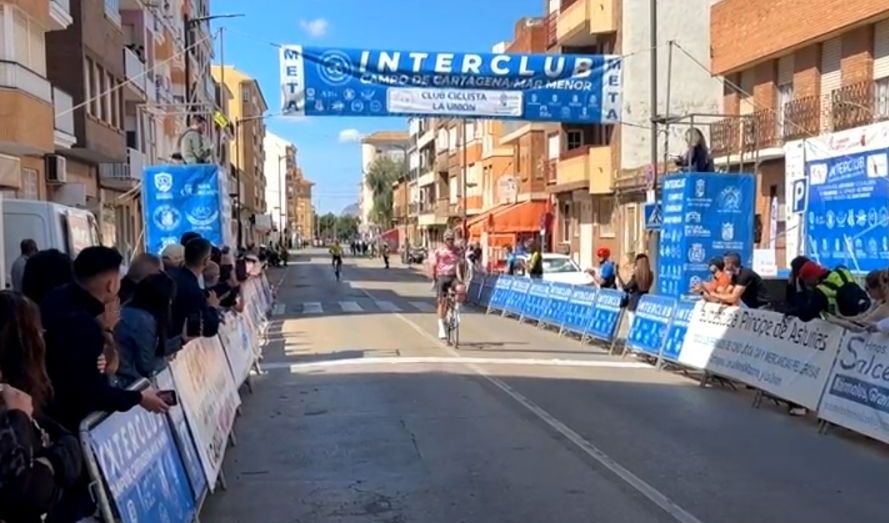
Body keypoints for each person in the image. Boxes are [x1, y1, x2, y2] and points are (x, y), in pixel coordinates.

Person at [41, 246, 169, 433]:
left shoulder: (55, 298)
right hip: (69, 422)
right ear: (111, 284)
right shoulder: (84, 324)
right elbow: (90, 391)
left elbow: (106, 367)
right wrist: (139, 398)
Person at [0, 292, 83, 523]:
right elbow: (26, 495)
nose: (42, 337)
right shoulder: (11, 408)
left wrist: (49, 463)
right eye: (38, 331)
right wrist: (19, 418)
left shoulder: (22, 393)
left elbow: (69, 444)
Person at [115, 273, 186, 387]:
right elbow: (147, 365)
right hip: (125, 381)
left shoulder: (128, 308)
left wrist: (181, 340)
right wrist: (164, 360)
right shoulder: (143, 321)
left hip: (120, 375)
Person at [170, 238, 221, 338]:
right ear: (206, 261)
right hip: (171, 340)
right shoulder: (194, 293)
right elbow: (209, 328)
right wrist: (212, 307)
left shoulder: (170, 274)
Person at [794, 261, 870, 322]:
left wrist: (799, 292)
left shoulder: (821, 291)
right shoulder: (842, 272)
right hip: (865, 312)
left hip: (844, 322)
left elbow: (805, 316)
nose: (806, 284)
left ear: (812, 277)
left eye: (806, 280)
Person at [706, 252, 771, 309]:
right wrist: (709, 294)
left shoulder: (744, 275)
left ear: (731, 264)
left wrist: (714, 294)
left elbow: (733, 298)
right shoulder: (734, 276)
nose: (724, 266)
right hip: (752, 307)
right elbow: (727, 293)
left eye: (725, 263)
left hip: (763, 307)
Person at [432, 230, 465, 339]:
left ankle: (456, 309)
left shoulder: (457, 251)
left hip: (453, 277)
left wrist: (461, 279)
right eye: (448, 239)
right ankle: (441, 327)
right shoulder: (439, 251)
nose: (450, 241)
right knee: (442, 302)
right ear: (444, 240)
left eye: (452, 239)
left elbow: (460, 265)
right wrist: (434, 278)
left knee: (460, 289)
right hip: (442, 277)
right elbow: (434, 265)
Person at [619, 254, 654, 321]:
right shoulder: (650, 275)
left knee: (632, 324)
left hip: (634, 304)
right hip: (645, 302)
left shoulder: (636, 276)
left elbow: (625, 288)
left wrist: (618, 275)